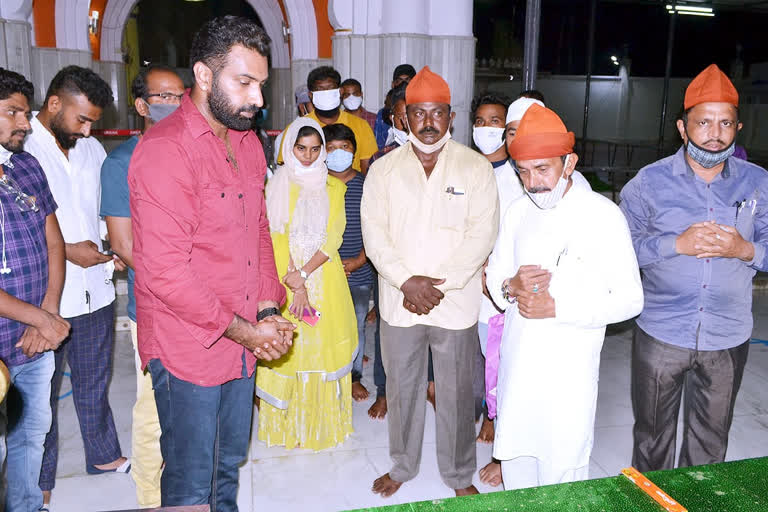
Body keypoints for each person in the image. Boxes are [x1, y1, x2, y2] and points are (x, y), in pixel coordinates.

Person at [128, 16, 295, 510]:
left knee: (227, 465)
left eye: (261, 84)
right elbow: (165, 273)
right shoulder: (165, 151)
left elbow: (257, 233)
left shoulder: (247, 142)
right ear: (203, 76)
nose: (257, 99)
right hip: (188, 347)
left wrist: (266, 310)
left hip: (241, 339)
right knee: (190, 480)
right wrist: (246, 330)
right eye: (244, 82)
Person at [485, 103, 643, 490]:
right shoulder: (518, 213)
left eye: (543, 169)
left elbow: (630, 299)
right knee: (517, 465)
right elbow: (494, 277)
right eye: (523, 171)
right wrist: (510, 287)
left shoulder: (603, 215)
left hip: (568, 374)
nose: (533, 182)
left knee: (562, 473)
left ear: (569, 162)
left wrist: (559, 307)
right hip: (518, 364)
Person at [620, 64, 768, 472]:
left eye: (725, 123)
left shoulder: (758, 184)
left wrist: (744, 249)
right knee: (651, 436)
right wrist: (675, 244)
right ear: (683, 128)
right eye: (703, 122)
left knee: (711, 438)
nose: (714, 132)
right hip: (662, 331)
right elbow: (618, 253)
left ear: (738, 128)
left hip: (727, 334)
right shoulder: (647, 184)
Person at [362, 66, 499, 498]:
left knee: (458, 396)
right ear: (404, 118)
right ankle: (403, 467)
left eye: (436, 113)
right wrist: (406, 282)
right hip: (399, 301)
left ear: (450, 116)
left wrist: (440, 285)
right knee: (402, 391)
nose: (427, 122)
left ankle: (459, 476)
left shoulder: (475, 167)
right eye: (418, 113)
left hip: (453, 302)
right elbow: (374, 233)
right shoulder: (383, 170)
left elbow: (483, 233)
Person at [23, 66, 127, 507]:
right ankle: (38, 477)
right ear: (53, 104)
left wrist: (113, 244)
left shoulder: (90, 150)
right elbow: (16, 227)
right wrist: (68, 250)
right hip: (43, 296)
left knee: (93, 380)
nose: (88, 130)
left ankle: (102, 455)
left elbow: (103, 210)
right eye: (81, 119)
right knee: (40, 392)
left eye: (93, 123)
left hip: (94, 288)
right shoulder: (18, 146)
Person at [99, 64, 184, 508]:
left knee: (193, 408)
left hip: (200, 307)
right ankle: (151, 497)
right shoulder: (121, 162)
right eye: (162, 97)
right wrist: (180, 285)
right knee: (153, 408)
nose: (172, 104)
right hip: (153, 306)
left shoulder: (194, 151)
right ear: (141, 105)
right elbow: (123, 244)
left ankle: (188, 489)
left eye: (178, 96)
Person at [259, 118, 356, 449]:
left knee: (320, 349)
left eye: (316, 149)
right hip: (284, 281)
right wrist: (295, 282)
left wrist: (304, 275)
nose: (308, 156)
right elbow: (274, 236)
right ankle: (289, 427)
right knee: (292, 349)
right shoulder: (276, 187)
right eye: (301, 148)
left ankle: (319, 426)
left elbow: (334, 238)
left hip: (325, 278)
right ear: (289, 148)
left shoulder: (335, 187)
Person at [0, 68, 69, 512]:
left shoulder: (25, 165)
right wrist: (43, 319)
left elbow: (53, 242)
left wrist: (48, 310)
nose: (25, 123)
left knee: (31, 434)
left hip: (31, 343)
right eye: (12, 112)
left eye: (25, 113)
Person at [322, 123, 374, 402]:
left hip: (358, 272)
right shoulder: (316, 184)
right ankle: (329, 372)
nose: (338, 153)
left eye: (344, 147)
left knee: (356, 324)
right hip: (323, 272)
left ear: (354, 151)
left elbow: (376, 228)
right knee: (325, 325)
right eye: (330, 149)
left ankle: (353, 376)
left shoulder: (366, 185)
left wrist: (359, 260)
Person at [277, 67, 378, 174]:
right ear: (310, 95)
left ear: (340, 91)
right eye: (320, 90)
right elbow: (285, 169)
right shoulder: (296, 128)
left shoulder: (361, 125)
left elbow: (368, 169)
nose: (326, 93)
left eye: (330, 88)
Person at [374, 64, 416, 150]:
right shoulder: (382, 115)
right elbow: (379, 146)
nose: (404, 84)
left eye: (408, 80)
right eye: (399, 81)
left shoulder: (425, 109)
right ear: (393, 84)